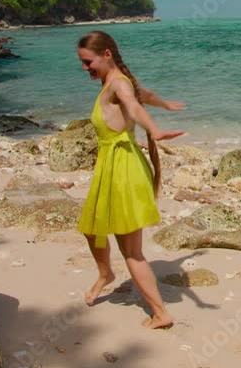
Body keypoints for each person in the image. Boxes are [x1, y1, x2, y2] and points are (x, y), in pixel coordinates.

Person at [76, 30, 185, 329]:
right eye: (83, 63)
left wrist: (154, 129)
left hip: (123, 170)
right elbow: (144, 96)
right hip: (113, 168)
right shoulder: (116, 80)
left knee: (132, 252)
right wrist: (164, 104)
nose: (85, 68)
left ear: (106, 54)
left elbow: (134, 105)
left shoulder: (119, 84)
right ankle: (105, 274)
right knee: (92, 228)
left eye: (88, 62)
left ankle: (161, 314)